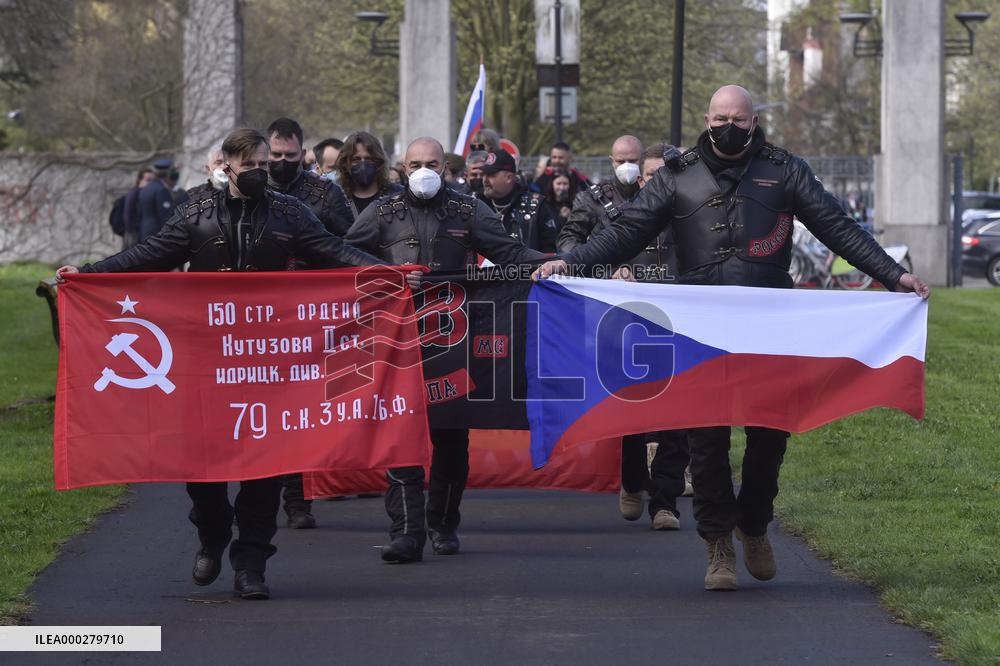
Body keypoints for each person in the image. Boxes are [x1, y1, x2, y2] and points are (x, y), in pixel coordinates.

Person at [532, 85, 930, 592]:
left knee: (771, 432)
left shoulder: (785, 169)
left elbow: (836, 227)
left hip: (771, 326)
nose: (728, 127)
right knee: (706, 438)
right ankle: (718, 542)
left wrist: (894, 275)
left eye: (738, 119)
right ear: (706, 119)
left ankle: (755, 523)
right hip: (700, 328)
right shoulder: (676, 174)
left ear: (754, 121)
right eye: (720, 118)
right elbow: (627, 231)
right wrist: (571, 262)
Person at [56, 128, 384, 599]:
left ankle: (251, 564)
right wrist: (88, 275)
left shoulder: (290, 211)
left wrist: (389, 275)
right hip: (206, 362)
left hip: (269, 361)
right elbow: (148, 255)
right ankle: (212, 533)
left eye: (264, 165)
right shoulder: (196, 212)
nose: (260, 173)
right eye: (250, 166)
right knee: (202, 462)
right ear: (226, 166)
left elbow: (334, 251)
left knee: (267, 465)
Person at [345, 137, 548, 564]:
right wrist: (388, 273)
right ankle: (406, 531)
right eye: (415, 163)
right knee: (400, 433)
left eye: (432, 163)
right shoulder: (381, 212)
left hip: (454, 341)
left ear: (445, 168)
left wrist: (554, 262)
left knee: (452, 438)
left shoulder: (469, 209)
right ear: (402, 167)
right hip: (398, 340)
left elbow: (510, 253)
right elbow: (345, 255)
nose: (424, 171)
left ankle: (442, 522)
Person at [267, 118, 354, 237]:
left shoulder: (328, 194)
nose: (283, 160)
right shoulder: (254, 191)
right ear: (266, 153)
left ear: (302, 154)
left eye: (290, 155)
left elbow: (349, 242)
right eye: (276, 154)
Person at [480, 149, 558, 253]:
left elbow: (550, 249)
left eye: (491, 175)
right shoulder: (477, 204)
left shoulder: (536, 206)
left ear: (509, 177)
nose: (485, 180)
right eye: (484, 174)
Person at [333, 131, 403, 219]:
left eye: (369, 159)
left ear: (378, 161)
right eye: (356, 159)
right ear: (346, 163)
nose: (363, 165)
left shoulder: (398, 195)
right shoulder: (336, 198)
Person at [138, 159, 176, 242]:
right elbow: (166, 216)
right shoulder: (161, 190)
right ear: (168, 173)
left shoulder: (145, 189)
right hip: (157, 234)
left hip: (145, 233)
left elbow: (140, 212)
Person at [116, 169, 154, 250]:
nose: (150, 183)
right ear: (140, 180)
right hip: (133, 233)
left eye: (152, 180)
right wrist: (132, 231)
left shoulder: (147, 193)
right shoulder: (134, 193)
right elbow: (127, 214)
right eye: (148, 180)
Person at [544, 170, 577, 235]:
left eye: (565, 184)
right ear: (552, 184)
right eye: (558, 184)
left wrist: (571, 216)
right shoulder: (545, 204)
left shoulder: (575, 203)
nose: (562, 188)